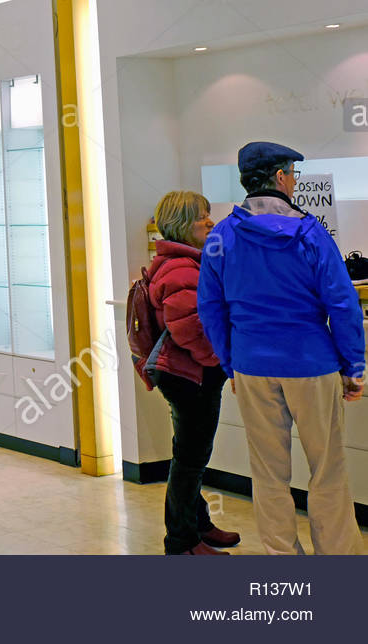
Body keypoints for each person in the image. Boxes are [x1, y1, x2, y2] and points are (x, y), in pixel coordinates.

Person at [199, 141, 365, 555]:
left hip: (254, 367)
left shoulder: (221, 236)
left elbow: (210, 307)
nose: (295, 180)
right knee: (327, 469)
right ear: (279, 178)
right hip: (311, 364)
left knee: (268, 472)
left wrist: (231, 363)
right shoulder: (311, 233)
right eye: (293, 173)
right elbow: (341, 303)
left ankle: (282, 560)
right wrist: (354, 365)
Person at [147, 191, 238, 555]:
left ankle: (198, 525)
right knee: (190, 460)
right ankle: (182, 542)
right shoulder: (182, 269)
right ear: (184, 224)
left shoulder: (181, 263)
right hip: (192, 376)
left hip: (187, 375)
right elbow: (190, 329)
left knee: (190, 455)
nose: (210, 222)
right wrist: (218, 360)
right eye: (203, 217)